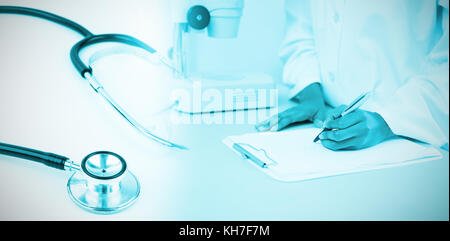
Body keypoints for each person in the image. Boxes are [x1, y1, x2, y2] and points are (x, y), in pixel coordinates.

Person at [256, 0, 449, 151]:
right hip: (327, 119)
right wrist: (311, 96)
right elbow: (300, 36)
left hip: (417, 132)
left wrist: (390, 120)